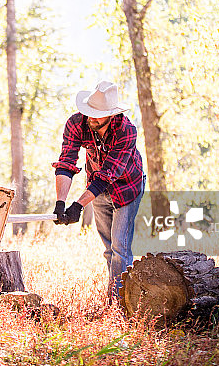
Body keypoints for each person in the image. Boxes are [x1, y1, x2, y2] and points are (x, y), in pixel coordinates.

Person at [52, 80, 146, 300]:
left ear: (111, 115)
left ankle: (118, 303)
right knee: (108, 250)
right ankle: (117, 295)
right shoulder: (76, 123)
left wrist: (78, 205)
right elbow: (66, 162)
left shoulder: (126, 131)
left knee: (120, 249)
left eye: (98, 114)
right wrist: (60, 203)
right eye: (89, 112)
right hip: (97, 189)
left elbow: (107, 175)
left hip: (127, 188)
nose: (91, 117)